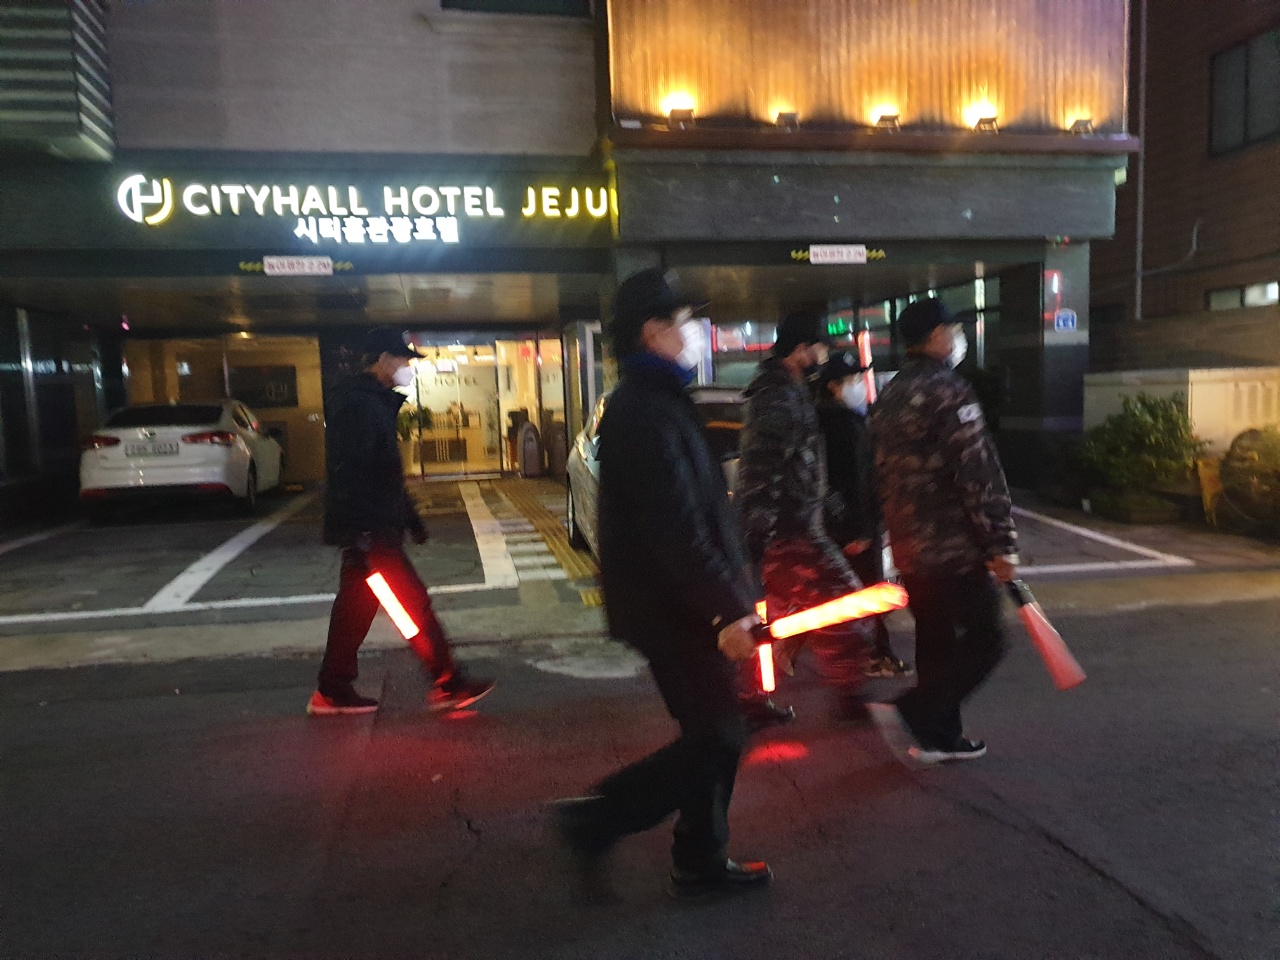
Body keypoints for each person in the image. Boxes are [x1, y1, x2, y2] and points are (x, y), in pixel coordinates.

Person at [554, 268, 771, 899]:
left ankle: (693, 854)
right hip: (671, 609)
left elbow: (698, 513)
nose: (696, 331)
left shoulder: (661, 400)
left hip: (681, 603)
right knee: (719, 734)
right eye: (685, 321)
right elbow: (675, 528)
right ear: (653, 331)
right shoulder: (643, 411)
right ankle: (603, 821)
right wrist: (725, 610)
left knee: (715, 733)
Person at [309, 327, 494, 716]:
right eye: (402, 359)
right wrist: (362, 529)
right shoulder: (359, 405)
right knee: (411, 605)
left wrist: (408, 516)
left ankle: (333, 688)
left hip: (371, 526)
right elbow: (353, 471)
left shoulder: (368, 402)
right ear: (382, 360)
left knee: (355, 610)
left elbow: (384, 472)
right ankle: (447, 682)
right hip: (370, 530)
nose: (407, 366)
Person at [867, 298, 1018, 764]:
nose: (958, 338)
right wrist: (1000, 543)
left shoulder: (891, 394)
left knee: (935, 640)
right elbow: (977, 473)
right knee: (987, 639)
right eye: (954, 329)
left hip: (909, 546)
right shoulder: (949, 390)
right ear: (936, 335)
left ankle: (939, 736)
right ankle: (917, 710)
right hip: (954, 548)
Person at [736, 309, 873, 720]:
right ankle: (846, 696)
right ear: (800, 350)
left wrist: (836, 510)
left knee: (769, 619)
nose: (822, 355)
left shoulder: (789, 391)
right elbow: (763, 471)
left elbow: (800, 467)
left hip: (792, 528)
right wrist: (756, 540)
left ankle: (754, 701)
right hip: (788, 533)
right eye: (819, 347)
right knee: (847, 607)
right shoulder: (779, 399)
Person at [814, 352, 913, 678]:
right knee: (867, 593)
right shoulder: (842, 425)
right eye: (853, 380)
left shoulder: (833, 421)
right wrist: (859, 529)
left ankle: (863, 655)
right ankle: (873, 655)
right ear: (834, 386)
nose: (859, 385)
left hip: (846, 525)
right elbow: (853, 480)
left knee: (853, 593)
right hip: (855, 528)